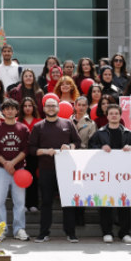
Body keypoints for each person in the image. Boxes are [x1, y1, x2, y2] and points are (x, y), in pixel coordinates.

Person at [29, 98, 81, 243]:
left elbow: (78, 142)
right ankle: (43, 233)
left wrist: (70, 147)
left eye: (53, 106)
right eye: (48, 106)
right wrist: (45, 151)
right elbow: (32, 149)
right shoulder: (38, 126)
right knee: (46, 202)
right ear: (44, 108)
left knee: (68, 202)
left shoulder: (68, 124)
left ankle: (70, 232)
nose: (51, 108)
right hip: (46, 169)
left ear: (58, 108)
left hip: (66, 170)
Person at [87, 104, 131, 243]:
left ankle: (125, 232)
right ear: (107, 116)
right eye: (111, 113)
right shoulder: (99, 133)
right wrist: (100, 147)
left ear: (120, 116)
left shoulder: (128, 133)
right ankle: (107, 232)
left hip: (124, 175)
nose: (114, 115)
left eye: (116, 113)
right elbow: (90, 146)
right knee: (105, 204)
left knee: (124, 203)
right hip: (105, 174)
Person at [0, 98, 30, 241]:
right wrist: (6, 164)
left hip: (19, 169)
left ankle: (19, 229)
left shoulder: (23, 128)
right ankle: (1, 230)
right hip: (1, 169)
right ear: (3, 111)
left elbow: (26, 148)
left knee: (19, 201)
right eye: (7, 109)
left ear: (17, 111)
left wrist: (12, 162)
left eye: (13, 108)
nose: (10, 111)